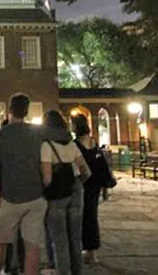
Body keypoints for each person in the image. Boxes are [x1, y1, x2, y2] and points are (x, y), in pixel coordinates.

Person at [0, 93, 46, 275]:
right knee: (32, 245)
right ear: (27, 111)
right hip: (36, 196)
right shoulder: (39, 135)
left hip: (9, 198)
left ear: (9, 110)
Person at [40, 110, 89, 275]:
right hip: (75, 189)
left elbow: (47, 177)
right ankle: (77, 270)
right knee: (75, 236)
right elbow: (86, 171)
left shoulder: (47, 145)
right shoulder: (71, 144)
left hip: (57, 194)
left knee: (59, 237)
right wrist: (76, 183)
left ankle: (63, 270)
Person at [71, 113, 110, 264]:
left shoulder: (75, 145)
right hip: (95, 185)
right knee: (92, 216)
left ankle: (79, 249)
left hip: (82, 184)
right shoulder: (93, 143)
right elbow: (101, 165)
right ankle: (91, 251)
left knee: (78, 218)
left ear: (75, 126)